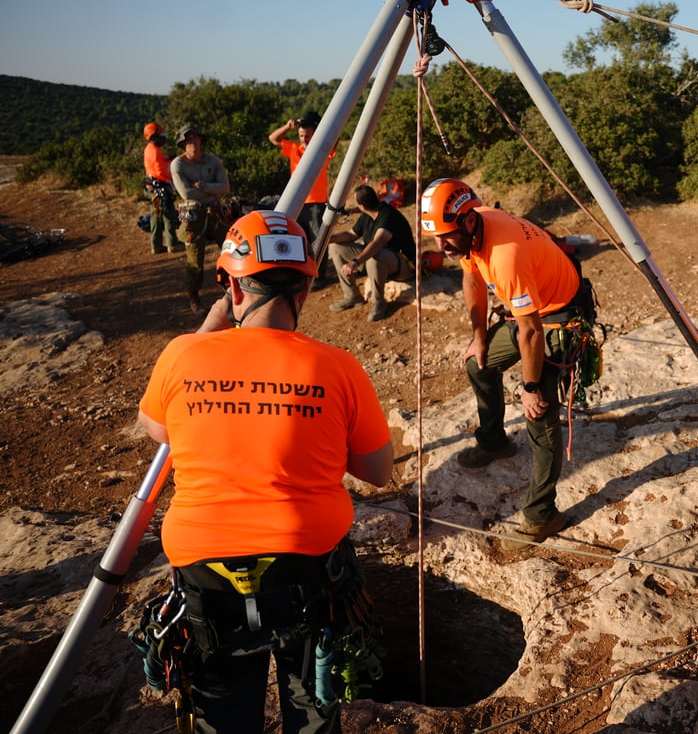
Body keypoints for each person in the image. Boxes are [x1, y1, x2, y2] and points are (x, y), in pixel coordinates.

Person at [137, 209, 394, 733]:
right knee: (313, 707)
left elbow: (156, 428)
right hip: (307, 572)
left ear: (231, 288)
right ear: (304, 291)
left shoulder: (182, 355)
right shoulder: (339, 367)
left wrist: (208, 333)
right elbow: (378, 471)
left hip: (205, 577)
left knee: (222, 712)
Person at [420, 177, 591, 551]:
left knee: (540, 416)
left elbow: (531, 332)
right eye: (434, 238)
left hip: (558, 316)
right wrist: (480, 337)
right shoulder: (473, 230)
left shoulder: (504, 255)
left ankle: (542, 515)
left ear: (467, 222)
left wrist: (529, 389)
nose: (440, 245)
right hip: (529, 312)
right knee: (478, 365)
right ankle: (495, 442)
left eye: (445, 236)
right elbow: (472, 281)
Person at [327, 184, 417, 322]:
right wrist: (329, 239)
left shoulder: (387, 215)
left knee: (375, 255)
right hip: (382, 260)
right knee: (335, 248)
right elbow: (351, 235)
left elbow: (377, 243)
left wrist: (355, 262)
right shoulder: (367, 215)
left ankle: (378, 302)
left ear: (362, 205)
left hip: (404, 264)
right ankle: (352, 296)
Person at [270, 110, 336, 286]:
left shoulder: (322, 150)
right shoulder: (294, 149)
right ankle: (305, 272)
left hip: (317, 202)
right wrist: (288, 126)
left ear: (314, 134)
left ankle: (319, 276)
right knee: (301, 239)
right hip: (298, 202)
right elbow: (273, 138)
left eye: (307, 135)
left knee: (318, 239)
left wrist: (321, 127)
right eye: (301, 136)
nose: (304, 139)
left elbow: (335, 138)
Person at [171, 125, 230, 313]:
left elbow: (225, 187)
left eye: (196, 138)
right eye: (189, 140)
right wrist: (211, 188)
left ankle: (231, 288)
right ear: (183, 144)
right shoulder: (178, 164)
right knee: (195, 257)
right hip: (194, 215)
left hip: (216, 211)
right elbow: (186, 193)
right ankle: (194, 297)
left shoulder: (213, 161)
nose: (193, 143)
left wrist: (202, 185)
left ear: (201, 140)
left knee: (230, 248)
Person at [142, 121, 183, 255]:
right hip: (160, 187)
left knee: (156, 216)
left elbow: (156, 166)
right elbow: (161, 171)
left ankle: (156, 245)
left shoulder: (149, 149)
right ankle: (172, 244)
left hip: (151, 186)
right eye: (162, 136)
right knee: (169, 214)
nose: (164, 138)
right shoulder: (155, 150)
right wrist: (172, 170)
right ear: (155, 136)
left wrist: (167, 160)